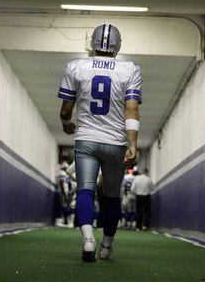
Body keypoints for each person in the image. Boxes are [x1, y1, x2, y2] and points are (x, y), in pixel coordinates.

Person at [57, 23, 142, 262]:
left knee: (85, 189)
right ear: (118, 46)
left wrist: (66, 124)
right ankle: (107, 244)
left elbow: (66, 110)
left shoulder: (75, 67)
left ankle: (87, 240)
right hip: (115, 142)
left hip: (86, 139)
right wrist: (133, 144)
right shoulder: (130, 69)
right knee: (112, 195)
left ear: (92, 43)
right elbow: (132, 109)